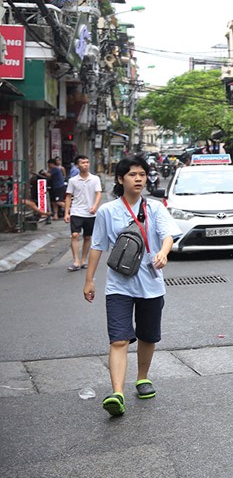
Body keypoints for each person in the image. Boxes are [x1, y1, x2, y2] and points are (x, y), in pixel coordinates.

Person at [83, 155, 181, 418]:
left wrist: (164, 251)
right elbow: (97, 246)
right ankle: (117, 393)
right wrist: (90, 279)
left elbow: (168, 233)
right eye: (132, 174)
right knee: (119, 339)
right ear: (120, 179)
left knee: (148, 336)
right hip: (118, 285)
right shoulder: (107, 211)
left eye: (142, 174)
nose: (139, 179)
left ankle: (142, 377)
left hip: (151, 283)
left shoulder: (155, 208)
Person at [64, 155, 102, 271]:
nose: (85, 164)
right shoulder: (73, 181)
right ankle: (76, 261)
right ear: (77, 165)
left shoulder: (95, 179)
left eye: (87, 162)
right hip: (76, 211)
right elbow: (69, 196)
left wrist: (95, 206)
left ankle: (83, 260)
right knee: (75, 235)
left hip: (90, 213)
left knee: (87, 237)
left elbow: (98, 193)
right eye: (83, 163)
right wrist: (67, 212)